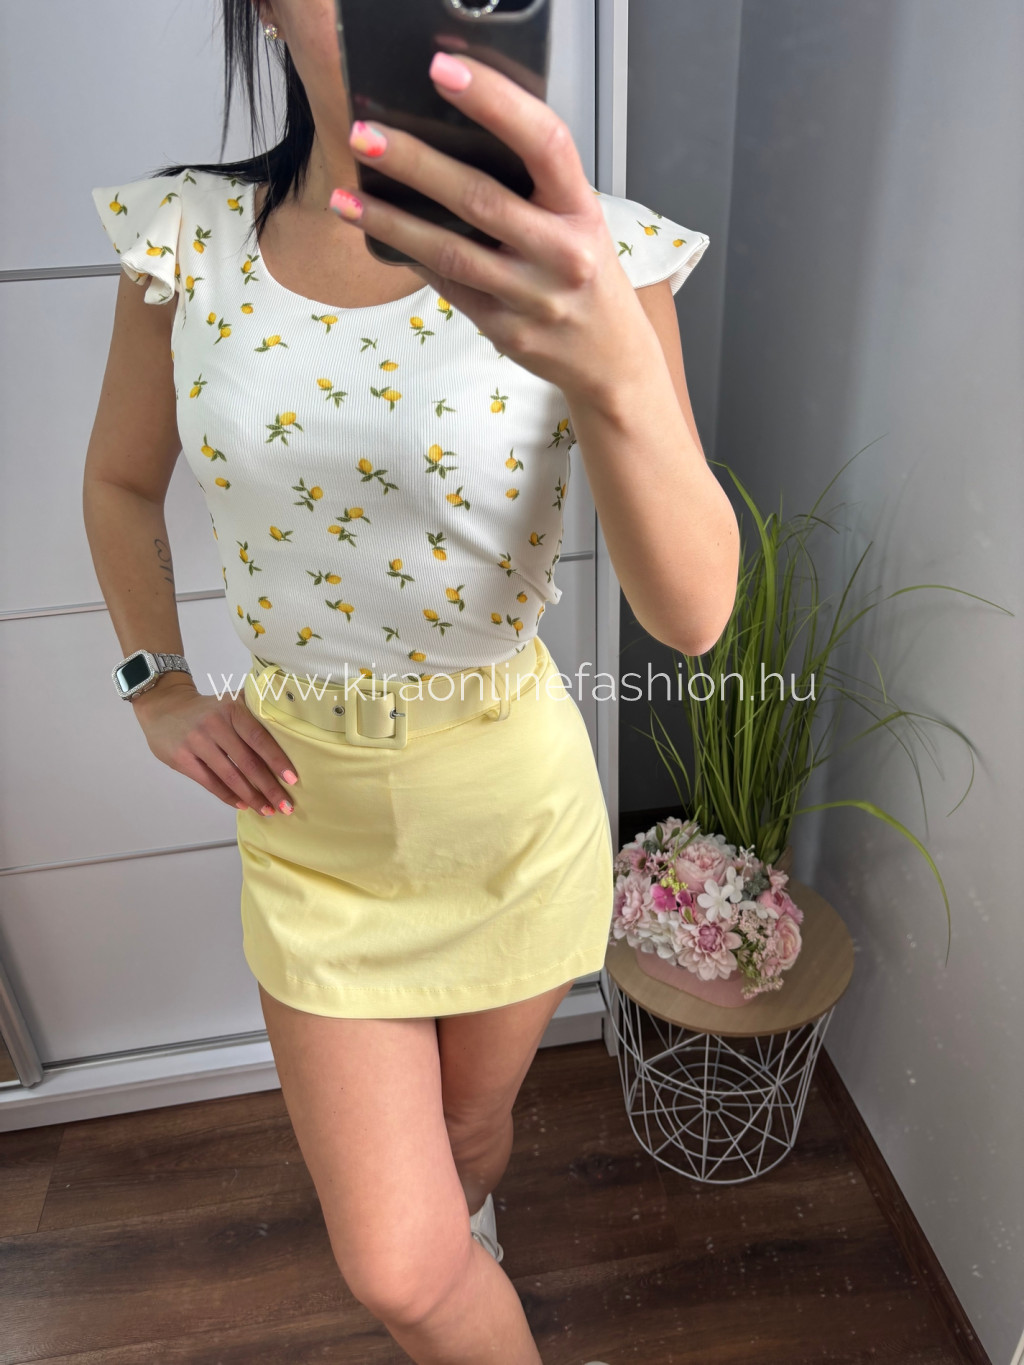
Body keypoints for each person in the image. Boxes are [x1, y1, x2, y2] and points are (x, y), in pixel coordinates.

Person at [82, 2, 740, 1361]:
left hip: (506, 807)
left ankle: (470, 1236)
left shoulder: (595, 257)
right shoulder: (188, 239)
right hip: (307, 820)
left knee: (468, 1130)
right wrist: (158, 683)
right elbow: (119, 481)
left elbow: (693, 613)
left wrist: (611, 354)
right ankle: (451, 1274)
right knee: (395, 1265)